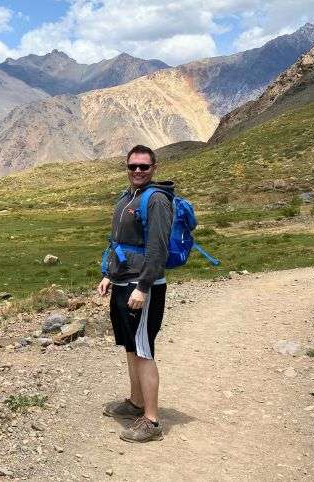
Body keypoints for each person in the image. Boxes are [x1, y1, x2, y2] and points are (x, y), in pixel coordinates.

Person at [97, 144, 173, 443]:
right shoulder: (128, 197)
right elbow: (117, 240)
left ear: (154, 168)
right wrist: (108, 274)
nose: (138, 171)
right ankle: (135, 402)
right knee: (131, 346)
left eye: (144, 166)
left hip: (143, 287)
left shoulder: (156, 200)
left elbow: (158, 249)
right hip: (122, 281)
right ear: (127, 168)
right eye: (133, 166)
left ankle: (152, 421)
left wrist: (142, 286)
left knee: (143, 350)